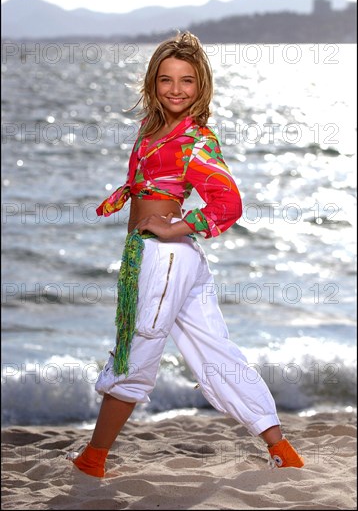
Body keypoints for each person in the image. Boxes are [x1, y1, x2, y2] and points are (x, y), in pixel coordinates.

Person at [67, 31, 304, 477]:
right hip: (168, 258)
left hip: (167, 257)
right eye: (166, 80)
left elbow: (228, 204)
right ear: (152, 85)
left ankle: (92, 458)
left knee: (136, 350)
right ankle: (281, 449)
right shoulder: (153, 127)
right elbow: (151, 184)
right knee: (215, 351)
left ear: (202, 86)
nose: (176, 89)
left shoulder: (196, 139)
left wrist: (177, 225)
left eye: (187, 81)